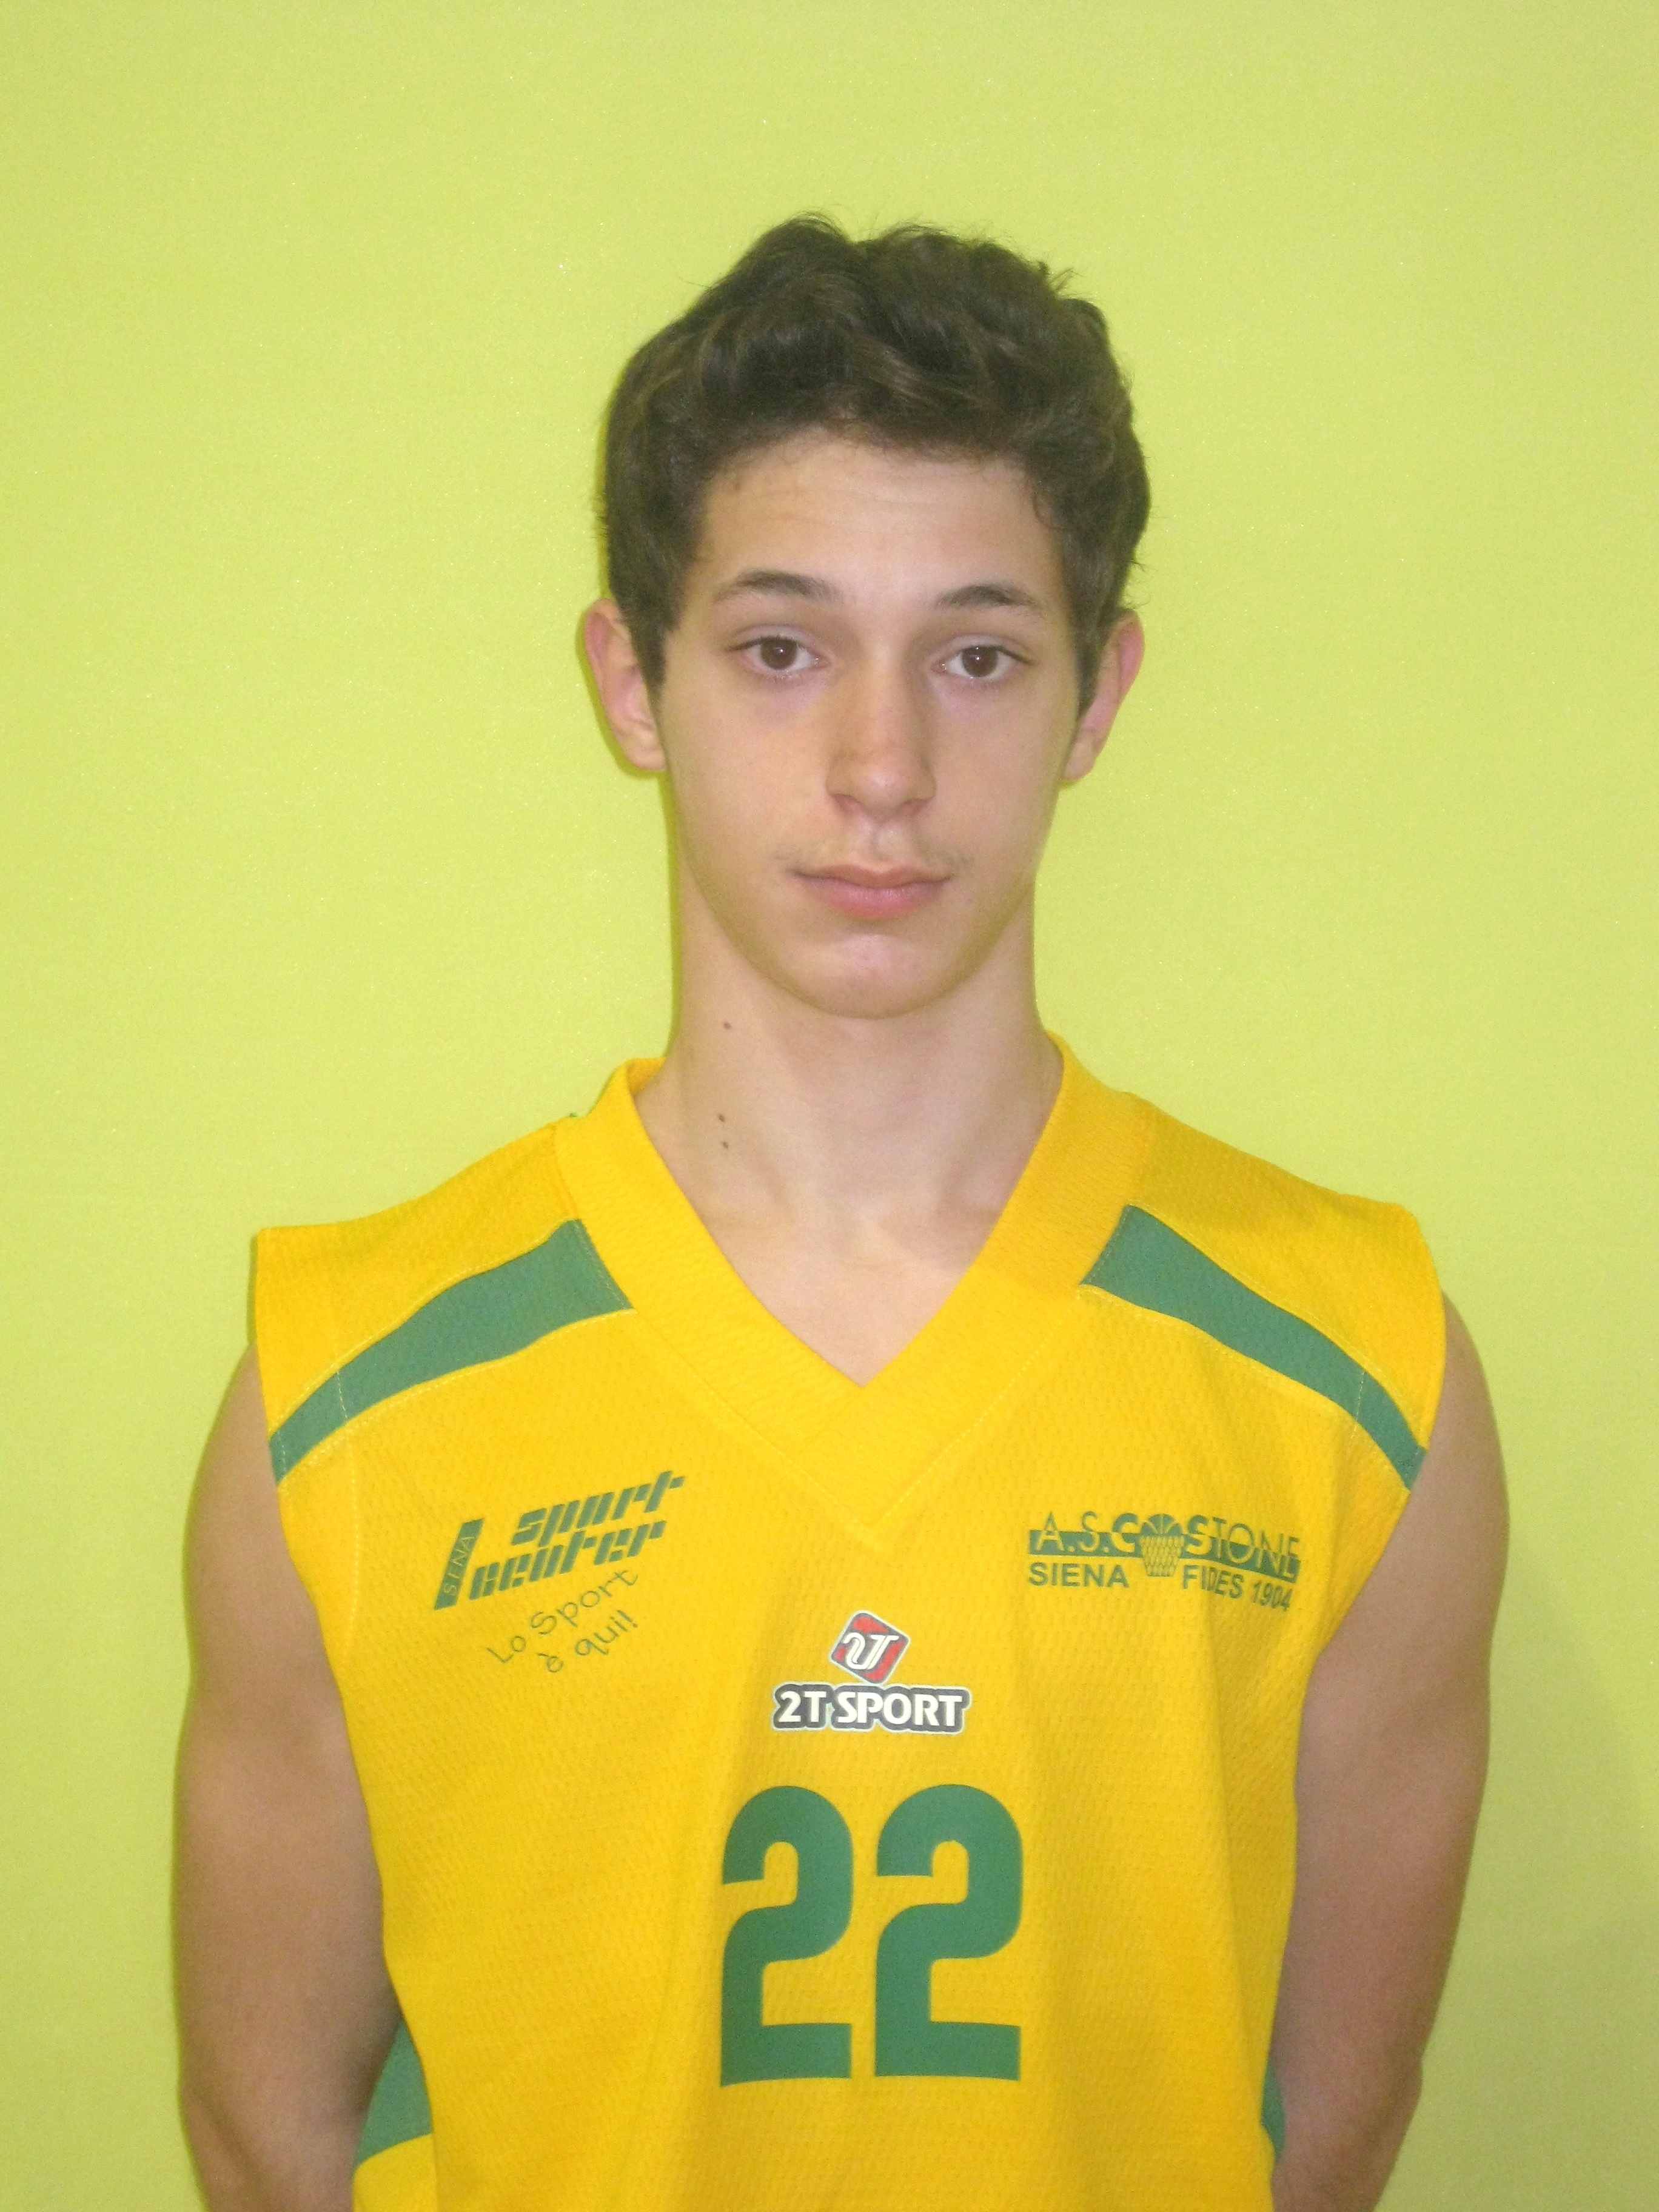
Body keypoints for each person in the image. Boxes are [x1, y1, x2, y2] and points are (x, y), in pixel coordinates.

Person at [175, 213, 1507, 2212]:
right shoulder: (346, 1401)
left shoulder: (1359, 1376)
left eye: (978, 656)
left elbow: (1327, 2127)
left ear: (1097, 698)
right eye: (781, 650)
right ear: (633, 681)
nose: (882, 768)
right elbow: (267, 2140)